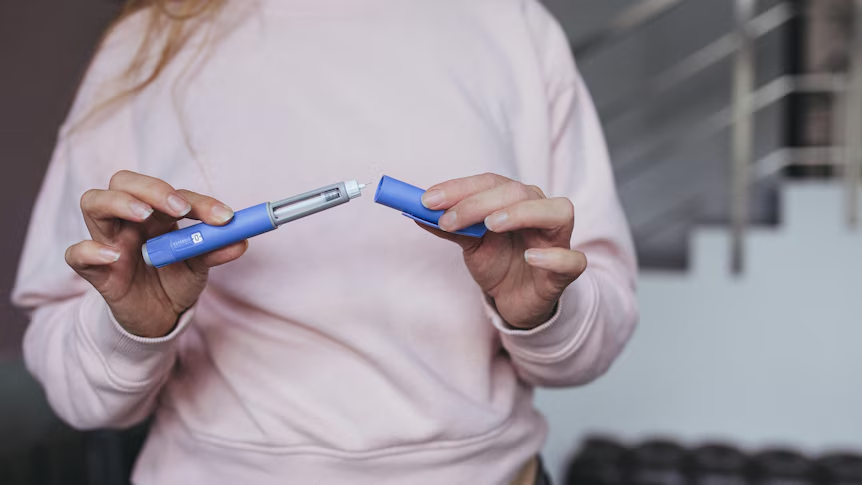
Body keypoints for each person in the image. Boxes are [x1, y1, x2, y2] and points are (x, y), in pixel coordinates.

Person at [11, 0, 638, 483]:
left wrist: (542, 309)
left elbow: (594, 339)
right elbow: (78, 395)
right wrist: (133, 328)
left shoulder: (512, 25)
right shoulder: (143, 45)